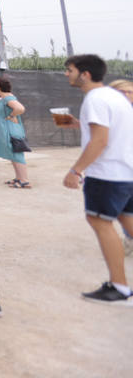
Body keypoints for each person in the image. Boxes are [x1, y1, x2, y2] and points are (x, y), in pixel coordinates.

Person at [62, 54, 133, 304]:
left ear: (85, 74)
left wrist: (76, 170)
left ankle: (120, 288)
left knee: (100, 222)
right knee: (127, 221)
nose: (66, 74)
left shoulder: (95, 98)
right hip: (125, 173)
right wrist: (78, 124)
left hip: (108, 175)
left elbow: (100, 140)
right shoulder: (113, 96)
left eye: (69, 70)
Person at [0, 76, 31, 188]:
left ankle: (24, 180)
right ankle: (19, 178)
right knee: (13, 154)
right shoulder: (5, 99)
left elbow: (20, 108)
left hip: (11, 130)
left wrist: (11, 116)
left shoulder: (9, 99)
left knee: (17, 154)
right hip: (8, 130)